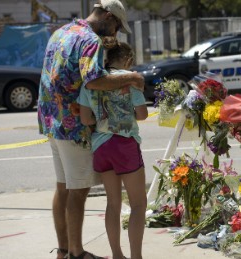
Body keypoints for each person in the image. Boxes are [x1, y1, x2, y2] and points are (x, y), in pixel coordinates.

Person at [37, 0, 144, 258]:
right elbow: (94, 80)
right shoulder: (89, 40)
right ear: (107, 16)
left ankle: (64, 250)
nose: (115, 32)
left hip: (51, 120)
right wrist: (132, 77)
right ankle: (76, 252)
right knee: (78, 189)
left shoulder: (62, 32)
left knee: (63, 186)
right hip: (73, 126)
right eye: (116, 25)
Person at [77, 42, 148, 259]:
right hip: (124, 143)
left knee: (113, 203)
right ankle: (136, 257)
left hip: (101, 146)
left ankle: (117, 255)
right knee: (138, 204)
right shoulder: (130, 78)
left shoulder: (92, 81)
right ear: (127, 60)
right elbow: (143, 114)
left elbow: (86, 118)